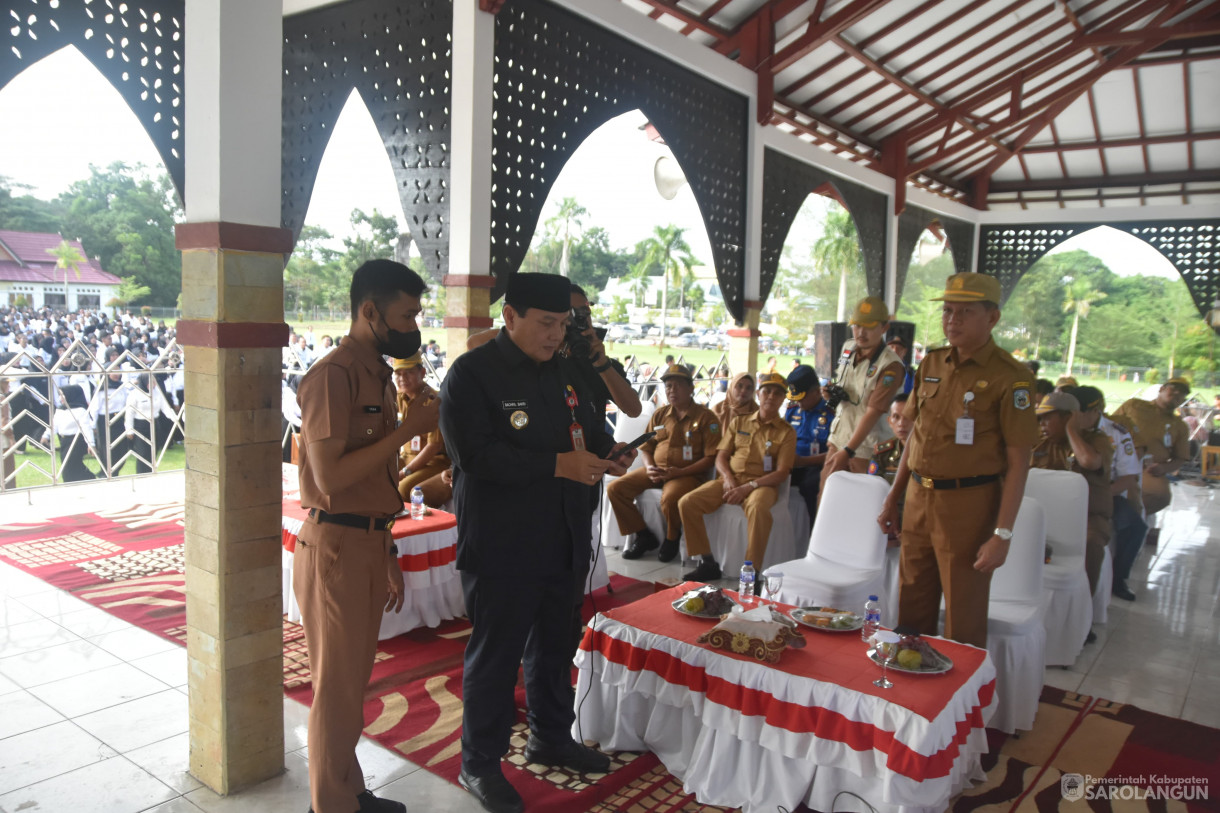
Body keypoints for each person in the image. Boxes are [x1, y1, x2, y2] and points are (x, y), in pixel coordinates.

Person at [439, 273, 632, 813]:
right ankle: (479, 763)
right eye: (546, 324)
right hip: (503, 543)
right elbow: (474, 456)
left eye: (563, 325)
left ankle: (551, 736)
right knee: (496, 656)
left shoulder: (566, 372)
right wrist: (557, 465)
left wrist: (611, 451)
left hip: (563, 536)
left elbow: (587, 433)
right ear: (511, 316)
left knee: (553, 646)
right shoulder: (473, 375)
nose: (555, 335)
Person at [294, 258, 438, 813]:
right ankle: (330, 806)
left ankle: (348, 791)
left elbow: (375, 480)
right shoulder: (334, 375)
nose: (413, 325)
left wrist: (389, 552)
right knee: (336, 690)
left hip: (366, 541)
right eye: (406, 314)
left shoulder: (376, 370)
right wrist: (410, 430)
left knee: (349, 685)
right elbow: (329, 478)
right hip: (336, 546)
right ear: (370, 311)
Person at [877, 273, 1039, 648]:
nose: (953, 320)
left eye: (965, 312)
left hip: (969, 504)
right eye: (948, 311)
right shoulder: (932, 363)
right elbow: (915, 437)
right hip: (919, 496)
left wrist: (1002, 534)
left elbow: (1019, 461)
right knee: (912, 603)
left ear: (993, 318)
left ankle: (960, 701)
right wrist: (893, 497)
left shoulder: (1010, 378)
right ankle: (909, 685)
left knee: (962, 613)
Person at [678, 371, 796, 580]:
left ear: (783, 399)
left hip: (762, 486)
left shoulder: (786, 432)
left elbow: (782, 472)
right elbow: (721, 457)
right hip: (729, 479)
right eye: (766, 391)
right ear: (759, 395)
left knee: (758, 508)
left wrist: (749, 486)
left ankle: (751, 572)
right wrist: (730, 480)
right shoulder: (739, 423)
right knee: (687, 502)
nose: (770, 397)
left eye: (777, 394)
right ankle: (707, 562)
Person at [608, 364, 719, 562]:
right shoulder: (660, 414)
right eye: (668, 387)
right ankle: (643, 536)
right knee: (616, 489)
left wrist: (677, 473)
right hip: (656, 470)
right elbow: (647, 448)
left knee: (670, 498)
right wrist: (649, 467)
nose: (672, 391)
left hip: (687, 475)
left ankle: (671, 537)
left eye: (677, 386)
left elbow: (710, 459)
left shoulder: (706, 417)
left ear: (691, 388)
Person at [1030, 390, 1113, 600]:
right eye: (1040, 418)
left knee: (1092, 544)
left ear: (1070, 416)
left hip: (1088, 518)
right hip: (1043, 515)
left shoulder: (1097, 440)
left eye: (1048, 418)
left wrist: (1072, 431)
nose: (1042, 423)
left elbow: (1088, 461)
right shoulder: (1039, 443)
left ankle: (1083, 610)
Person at [820, 297, 904, 495]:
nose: (861, 332)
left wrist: (848, 451)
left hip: (867, 448)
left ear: (884, 328)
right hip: (838, 438)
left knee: (860, 504)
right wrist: (830, 393)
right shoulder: (848, 348)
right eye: (856, 326)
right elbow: (843, 385)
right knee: (825, 499)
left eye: (869, 327)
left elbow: (872, 413)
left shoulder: (890, 366)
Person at [1076, 385, 1145, 602]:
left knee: (1135, 527)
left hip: (1107, 494)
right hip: (1068, 496)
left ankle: (1119, 578)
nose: (1074, 417)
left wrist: (1100, 494)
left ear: (1095, 411)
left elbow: (1127, 477)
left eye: (1080, 412)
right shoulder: (1066, 431)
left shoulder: (1117, 433)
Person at [1111, 378, 1191, 540]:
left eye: (1182, 394)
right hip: (1117, 459)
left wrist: (1164, 468)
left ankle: (1124, 520)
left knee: (1160, 495)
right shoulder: (1134, 405)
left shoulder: (1179, 426)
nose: (1177, 394)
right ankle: (1114, 515)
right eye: (1173, 389)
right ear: (1162, 388)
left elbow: (1180, 458)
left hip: (1147, 469)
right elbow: (1109, 425)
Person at [393, 352, 451, 506]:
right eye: (398, 373)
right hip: (407, 457)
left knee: (403, 489)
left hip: (433, 462)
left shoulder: (433, 400)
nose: (402, 378)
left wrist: (405, 472)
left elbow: (434, 446)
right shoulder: (399, 397)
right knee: (372, 476)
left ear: (423, 372)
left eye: (409, 373)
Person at [784, 364, 834, 522]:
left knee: (811, 485)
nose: (798, 403)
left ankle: (815, 531)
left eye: (802, 398)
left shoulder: (832, 413)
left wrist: (804, 461)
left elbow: (836, 452)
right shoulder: (792, 409)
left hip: (817, 465)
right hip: (790, 463)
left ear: (816, 391)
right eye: (795, 399)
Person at [54, 384, 97, 482]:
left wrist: (91, 444)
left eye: (62, 395)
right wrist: (46, 436)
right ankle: (88, 479)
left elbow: (86, 428)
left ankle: (87, 479)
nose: (60, 398)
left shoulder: (80, 410)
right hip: (64, 441)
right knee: (68, 465)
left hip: (76, 441)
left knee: (69, 465)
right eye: (59, 395)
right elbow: (54, 425)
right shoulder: (60, 410)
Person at [869, 392, 911, 485]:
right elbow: (873, 487)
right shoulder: (883, 453)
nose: (901, 423)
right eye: (896, 417)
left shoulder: (928, 453)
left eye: (908, 416)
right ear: (889, 422)